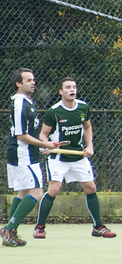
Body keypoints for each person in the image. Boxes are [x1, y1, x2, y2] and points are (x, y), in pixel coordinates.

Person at [33, 77, 116, 239]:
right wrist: (47, 145)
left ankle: (97, 227)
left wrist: (89, 146)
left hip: (78, 157)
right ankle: (39, 227)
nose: (72, 90)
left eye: (74, 87)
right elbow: (43, 134)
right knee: (54, 189)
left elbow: (87, 126)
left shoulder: (83, 107)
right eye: (68, 87)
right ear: (60, 91)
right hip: (58, 158)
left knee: (91, 188)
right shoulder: (54, 112)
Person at [2, 68, 58, 247]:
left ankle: (12, 233)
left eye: (33, 79)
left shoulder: (28, 102)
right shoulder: (19, 103)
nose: (33, 82)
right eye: (28, 80)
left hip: (30, 154)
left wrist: (42, 147)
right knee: (36, 192)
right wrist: (45, 144)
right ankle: (8, 228)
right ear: (18, 84)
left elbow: (31, 133)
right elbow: (21, 135)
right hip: (21, 154)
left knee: (23, 192)